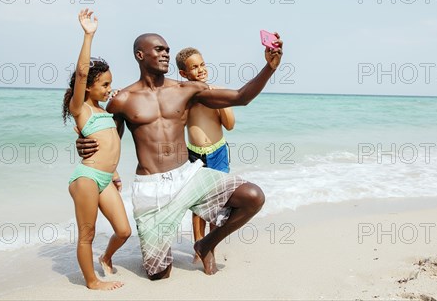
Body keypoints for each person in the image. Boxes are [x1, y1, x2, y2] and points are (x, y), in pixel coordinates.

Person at [76, 31, 283, 280]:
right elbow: (110, 141)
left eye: (167, 50)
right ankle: (161, 256)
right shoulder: (122, 100)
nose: (165, 54)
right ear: (140, 55)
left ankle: (205, 244)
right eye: (159, 49)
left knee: (253, 197)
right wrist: (84, 144)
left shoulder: (185, 90)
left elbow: (241, 97)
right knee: (159, 274)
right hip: (151, 189)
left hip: (188, 175)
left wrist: (269, 68)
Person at [62, 9, 131, 290]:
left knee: (124, 231)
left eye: (110, 83)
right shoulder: (80, 109)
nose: (109, 88)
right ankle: (92, 281)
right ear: (88, 87)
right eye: (104, 84)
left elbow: (108, 145)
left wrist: (113, 173)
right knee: (86, 234)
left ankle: (105, 257)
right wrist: (88, 35)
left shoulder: (103, 110)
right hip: (87, 178)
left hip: (105, 179)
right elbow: (80, 72)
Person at [175, 47, 235, 261]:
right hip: (195, 154)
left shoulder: (215, 92)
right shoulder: (185, 97)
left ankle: (210, 246)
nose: (200, 70)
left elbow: (230, 125)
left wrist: (223, 100)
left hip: (218, 151)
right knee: (198, 203)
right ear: (183, 73)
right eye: (194, 67)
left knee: (218, 204)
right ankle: (197, 247)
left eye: (202, 64)